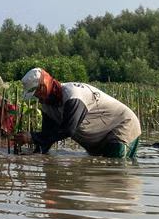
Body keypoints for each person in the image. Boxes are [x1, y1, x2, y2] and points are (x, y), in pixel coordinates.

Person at [11, 67, 142, 158]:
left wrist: (32, 137)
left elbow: (68, 130)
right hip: (97, 141)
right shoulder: (47, 106)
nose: (38, 99)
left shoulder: (73, 95)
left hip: (120, 128)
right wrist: (34, 155)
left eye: (37, 94)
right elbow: (48, 136)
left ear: (44, 87)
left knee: (115, 172)